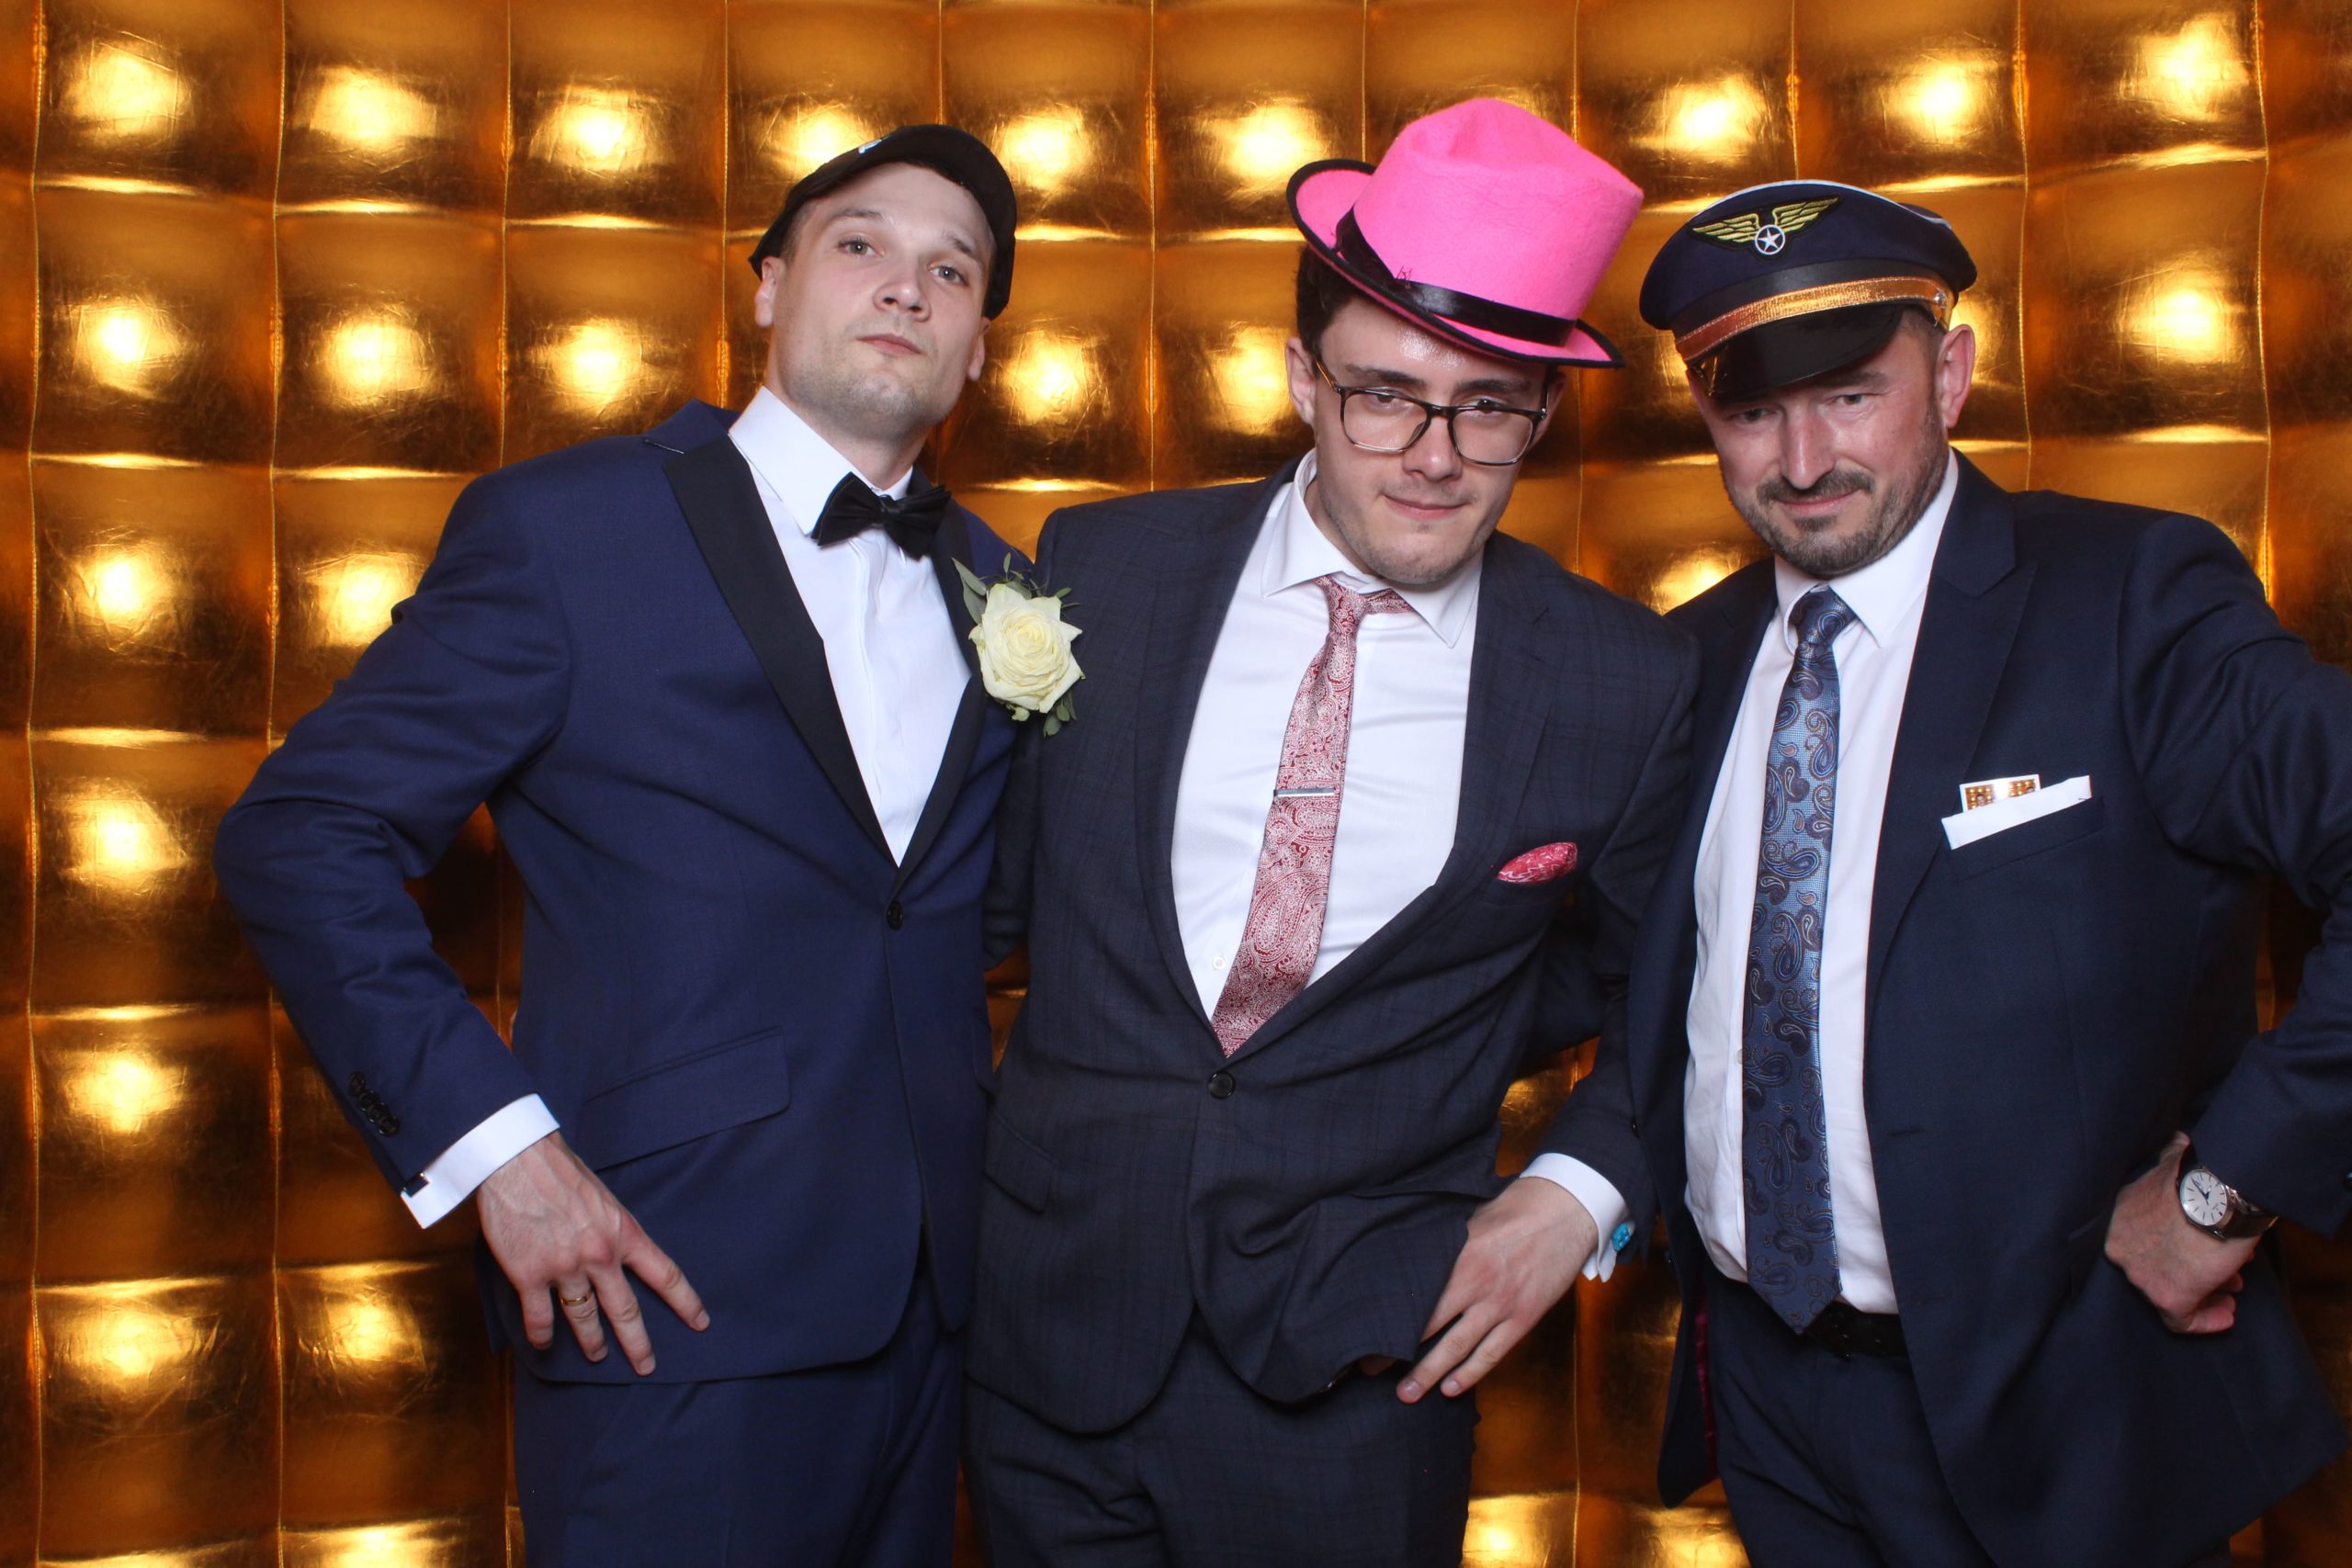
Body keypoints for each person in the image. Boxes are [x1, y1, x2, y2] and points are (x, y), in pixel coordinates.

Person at [213, 125, 1024, 1565]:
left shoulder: (1008, 590)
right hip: (666, 1292)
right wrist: (499, 1153)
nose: (907, 286)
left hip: (945, 1309)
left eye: (951, 271)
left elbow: (989, 905)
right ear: (768, 287)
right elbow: (301, 832)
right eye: (860, 245)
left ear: (976, 353)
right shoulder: (568, 529)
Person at [963, 97, 1693, 1567]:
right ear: (1302, 378)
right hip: (1047, 1330)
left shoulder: (1620, 676)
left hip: (1357, 1365)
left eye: (1491, 406)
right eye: (1385, 395)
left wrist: (1576, 1192)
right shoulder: (1105, 568)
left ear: (1543, 415)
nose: (1435, 455)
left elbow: (1667, 988)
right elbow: (977, 893)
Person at [1604, 178, 2352, 1567]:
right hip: (1764, 1393)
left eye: (1850, 395)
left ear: (1949, 374)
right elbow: (1649, 990)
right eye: (1752, 412)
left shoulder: (2130, 598)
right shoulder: (1687, 660)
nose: (1803, 459)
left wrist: (2228, 1191)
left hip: (2066, 1412)